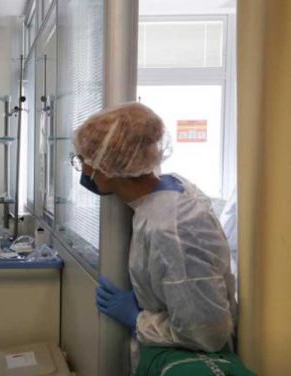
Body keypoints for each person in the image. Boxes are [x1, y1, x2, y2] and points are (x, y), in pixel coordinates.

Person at [72, 103, 252, 375]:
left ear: (107, 167)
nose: (83, 170)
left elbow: (207, 334)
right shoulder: (163, 191)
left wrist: (137, 319)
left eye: (84, 159)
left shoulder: (171, 228)